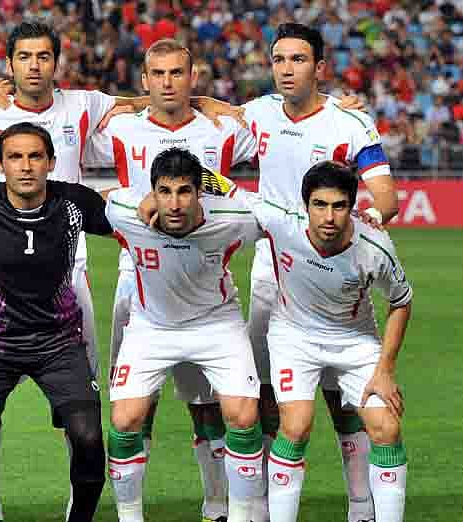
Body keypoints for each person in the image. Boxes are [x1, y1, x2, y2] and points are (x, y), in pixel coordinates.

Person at [84, 39, 256, 522]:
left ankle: (218, 503)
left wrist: (333, 102)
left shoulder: (221, 129)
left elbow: (277, 125)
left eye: (177, 73)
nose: (167, 82)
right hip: (136, 275)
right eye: (157, 74)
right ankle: (134, 508)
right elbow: (65, 132)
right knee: (136, 406)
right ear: (144, 80)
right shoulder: (121, 129)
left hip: (205, 270)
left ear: (193, 77)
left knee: (206, 404)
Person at [238, 24, 399, 522]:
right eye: (280, 59)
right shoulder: (256, 112)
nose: (287, 69)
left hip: (334, 261)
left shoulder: (348, 123)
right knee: (272, 393)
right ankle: (263, 505)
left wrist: (372, 218)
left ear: (320, 68)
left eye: (299, 60)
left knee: (344, 394)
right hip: (274, 267)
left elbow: (386, 195)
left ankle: (360, 505)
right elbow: (188, 106)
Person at [0, 122, 113, 522]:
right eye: (15, 157)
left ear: (51, 162)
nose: (26, 166)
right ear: (0, 164)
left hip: (58, 344)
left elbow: (130, 215)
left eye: (35, 156)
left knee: (88, 436)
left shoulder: (74, 203)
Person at [234, 161, 411, 522]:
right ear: (305, 206)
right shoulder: (281, 221)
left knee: (386, 427)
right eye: (320, 205)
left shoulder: (374, 245)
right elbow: (225, 187)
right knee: (295, 425)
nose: (328, 216)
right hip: (293, 336)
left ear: (353, 206)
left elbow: (401, 301)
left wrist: (385, 370)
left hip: (355, 339)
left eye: (339, 206)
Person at [104, 147, 265, 522]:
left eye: (184, 192)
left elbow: (281, 215)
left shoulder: (234, 217)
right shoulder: (124, 210)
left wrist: (224, 184)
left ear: (200, 192)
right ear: (152, 191)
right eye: (164, 191)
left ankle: (237, 515)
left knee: (243, 415)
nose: (174, 203)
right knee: (125, 421)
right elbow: (89, 202)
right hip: (151, 326)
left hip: (216, 323)